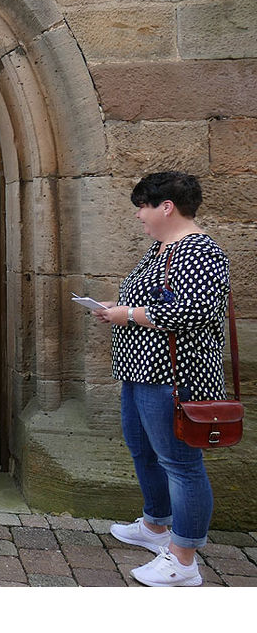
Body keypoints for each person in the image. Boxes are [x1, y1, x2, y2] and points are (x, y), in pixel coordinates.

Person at [93, 172, 229, 588]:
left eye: (143, 206)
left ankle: (184, 560)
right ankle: (156, 527)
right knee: (143, 451)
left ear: (166, 206)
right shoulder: (162, 249)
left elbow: (192, 312)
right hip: (141, 373)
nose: (139, 216)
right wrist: (118, 306)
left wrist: (127, 315)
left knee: (181, 465)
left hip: (174, 378)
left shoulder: (201, 251)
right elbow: (157, 301)